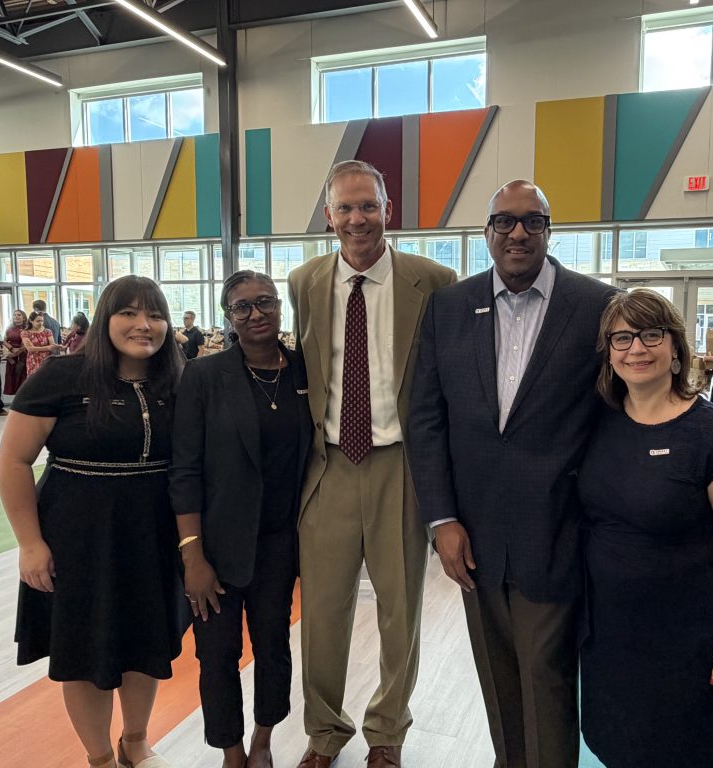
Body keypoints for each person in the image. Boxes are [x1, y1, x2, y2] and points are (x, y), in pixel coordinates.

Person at [408, 180, 617, 767]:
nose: (518, 233)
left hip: (559, 528)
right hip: (473, 534)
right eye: (504, 221)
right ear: (487, 233)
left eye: (532, 221)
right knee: (498, 679)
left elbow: (618, 412)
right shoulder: (450, 307)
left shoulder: (596, 306)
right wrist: (442, 518)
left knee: (546, 680)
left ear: (550, 230)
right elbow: (425, 419)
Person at [287, 160, 456, 768]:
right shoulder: (304, 281)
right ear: (328, 215)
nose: (357, 219)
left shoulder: (434, 280)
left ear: (389, 209)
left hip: (401, 465)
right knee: (324, 610)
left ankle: (387, 732)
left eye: (369, 205)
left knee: (400, 607)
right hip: (329, 464)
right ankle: (323, 732)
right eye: (345, 208)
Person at [0, 275, 185, 768]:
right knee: (84, 650)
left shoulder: (178, 379)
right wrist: (29, 544)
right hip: (76, 540)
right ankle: (99, 757)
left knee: (146, 643)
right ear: (105, 318)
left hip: (152, 535)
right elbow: (13, 461)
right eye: (129, 313)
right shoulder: (63, 376)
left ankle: (136, 742)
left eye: (156, 315)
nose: (144, 325)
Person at [578, 289, 713, 768]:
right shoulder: (599, 422)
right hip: (611, 638)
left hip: (687, 642)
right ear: (608, 351)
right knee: (618, 747)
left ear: (676, 348)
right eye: (622, 338)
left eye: (650, 335)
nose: (636, 348)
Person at [170, 271, 311, 768]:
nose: (255, 314)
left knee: (274, 648)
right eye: (242, 307)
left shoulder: (302, 371)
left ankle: (263, 741)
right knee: (217, 657)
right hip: (216, 548)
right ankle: (230, 751)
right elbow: (184, 468)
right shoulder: (205, 377)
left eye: (265, 303)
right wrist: (193, 555)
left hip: (278, 545)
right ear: (227, 317)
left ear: (280, 308)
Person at [22, 311, 57, 375]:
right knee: (35, 381)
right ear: (31, 321)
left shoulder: (47, 331)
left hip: (47, 360)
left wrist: (58, 346)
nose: (40, 323)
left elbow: (52, 345)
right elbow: (30, 349)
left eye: (42, 321)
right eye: (38, 321)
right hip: (33, 360)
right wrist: (47, 348)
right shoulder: (25, 333)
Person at [3, 309, 30, 395]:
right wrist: (11, 349)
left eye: (19, 315)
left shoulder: (27, 329)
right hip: (11, 356)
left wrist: (17, 352)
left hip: (23, 355)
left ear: (24, 318)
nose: (16, 317)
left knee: (23, 377)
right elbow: (4, 340)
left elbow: (27, 343)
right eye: (14, 315)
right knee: (12, 377)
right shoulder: (9, 328)